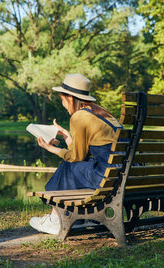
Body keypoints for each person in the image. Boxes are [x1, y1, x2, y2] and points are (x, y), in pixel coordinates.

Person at [29, 73, 122, 235]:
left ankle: (55, 219)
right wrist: (67, 136)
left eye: (63, 101)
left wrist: (50, 148)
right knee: (76, 165)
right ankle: (78, 217)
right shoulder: (101, 113)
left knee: (68, 166)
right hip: (123, 172)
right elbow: (82, 155)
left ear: (70, 99)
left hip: (107, 175)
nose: (64, 106)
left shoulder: (79, 116)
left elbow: (76, 158)